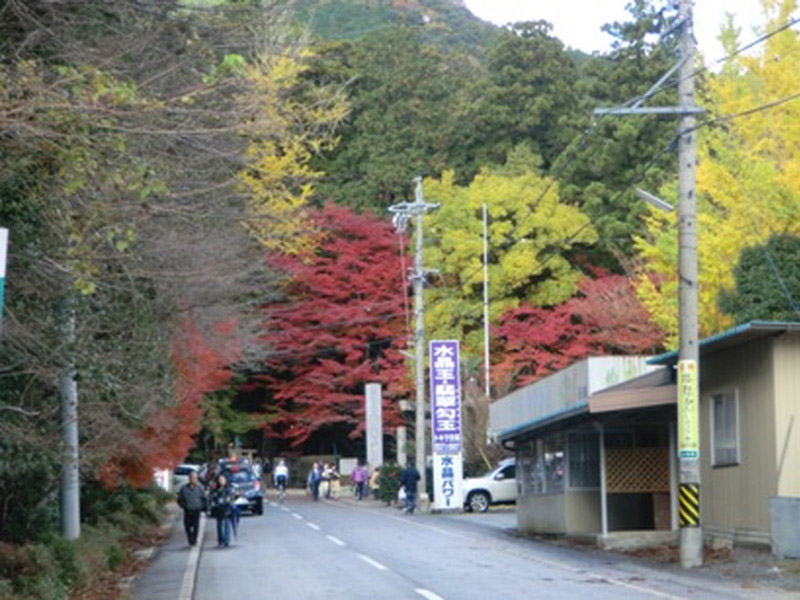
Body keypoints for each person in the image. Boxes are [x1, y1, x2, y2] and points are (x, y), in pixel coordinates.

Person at [177, 470, 206, 546]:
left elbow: (204, 498)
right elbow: (180, 499)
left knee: (196, 526)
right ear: (189, 479)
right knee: (187, 526)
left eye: (195, 478)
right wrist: (183, 506)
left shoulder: (200, 488)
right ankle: (190, 538)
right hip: (187, 510)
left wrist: (202, 506)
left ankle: (194, 539)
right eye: (192, 478)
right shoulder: (184, 488)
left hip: (197, 509)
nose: (193, 479)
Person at [209, 473, 235, 547]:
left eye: (223, 480)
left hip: (227, 509)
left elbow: (232, 497)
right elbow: (212, 498)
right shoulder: (216, 490)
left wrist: (230, 502)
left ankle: (227, 540)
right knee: (219, 525)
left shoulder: (229, 489)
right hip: (219, 510)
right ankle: (220, 539)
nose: (221, 481)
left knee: (227, 524)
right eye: (220, 480)